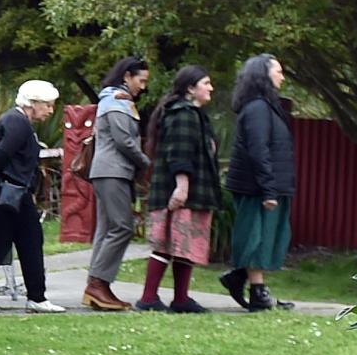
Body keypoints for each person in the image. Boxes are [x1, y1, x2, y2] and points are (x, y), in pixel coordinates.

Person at [0, 80, 66, 314]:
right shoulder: (19, 123)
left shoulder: (15, 121)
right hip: (9, 192)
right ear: (33, 103)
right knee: (17, 243)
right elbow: (0, 155)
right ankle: (34, 297)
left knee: (8, 244)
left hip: (8, 192)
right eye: (47, 105)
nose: (50, 110)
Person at [135, 65, 220, 313]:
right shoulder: (183, 114)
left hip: (191, 191)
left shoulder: (193, 113)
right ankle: (148, 298)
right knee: (167, 242)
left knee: (182, 245)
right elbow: (179, 153)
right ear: (191, 88)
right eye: (206, 83)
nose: (211, 88)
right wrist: (181, 188)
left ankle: (181, 299)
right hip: (180, 191)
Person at [220, 54, 296, 312]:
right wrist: (268, 189)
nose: (282, 76)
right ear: (263, 75)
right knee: (256, 238)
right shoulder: (257, 108)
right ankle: (257, 291)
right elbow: (258, 149)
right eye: (278, 71)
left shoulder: (266, 106)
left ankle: (245, 282)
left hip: (270, 185)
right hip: (256, 187)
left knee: (266, 238)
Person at [84, 57, 151, 311]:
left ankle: (97, 287)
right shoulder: (116, 101)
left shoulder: (112, 99)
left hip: (108, 171)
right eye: (140, 80)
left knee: (107, 228)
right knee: (122, 227)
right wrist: (145, 162)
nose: (142, 87)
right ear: (126, 76)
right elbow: (124, 140)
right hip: (113, 171)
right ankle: (98, 284)